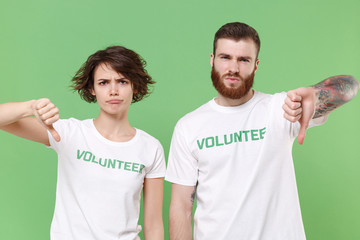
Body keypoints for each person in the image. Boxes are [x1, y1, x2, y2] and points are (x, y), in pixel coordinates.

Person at [165, 22, 359, 240]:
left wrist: (316, 94)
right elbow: (181, 207)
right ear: (212, 60)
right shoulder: (188, 126)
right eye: (225, 57)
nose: (233, 68)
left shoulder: (282, 109)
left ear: (256, 65)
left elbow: (350, 85)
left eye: (243, 60)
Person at [0, 46, 165, 240]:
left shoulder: (150, 148)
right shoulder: (70, 134)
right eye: (103, 83)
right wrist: (30, 107)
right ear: (91, 89)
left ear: (134, 86)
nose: (113, 90)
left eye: (122, 81)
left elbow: (153, 225)